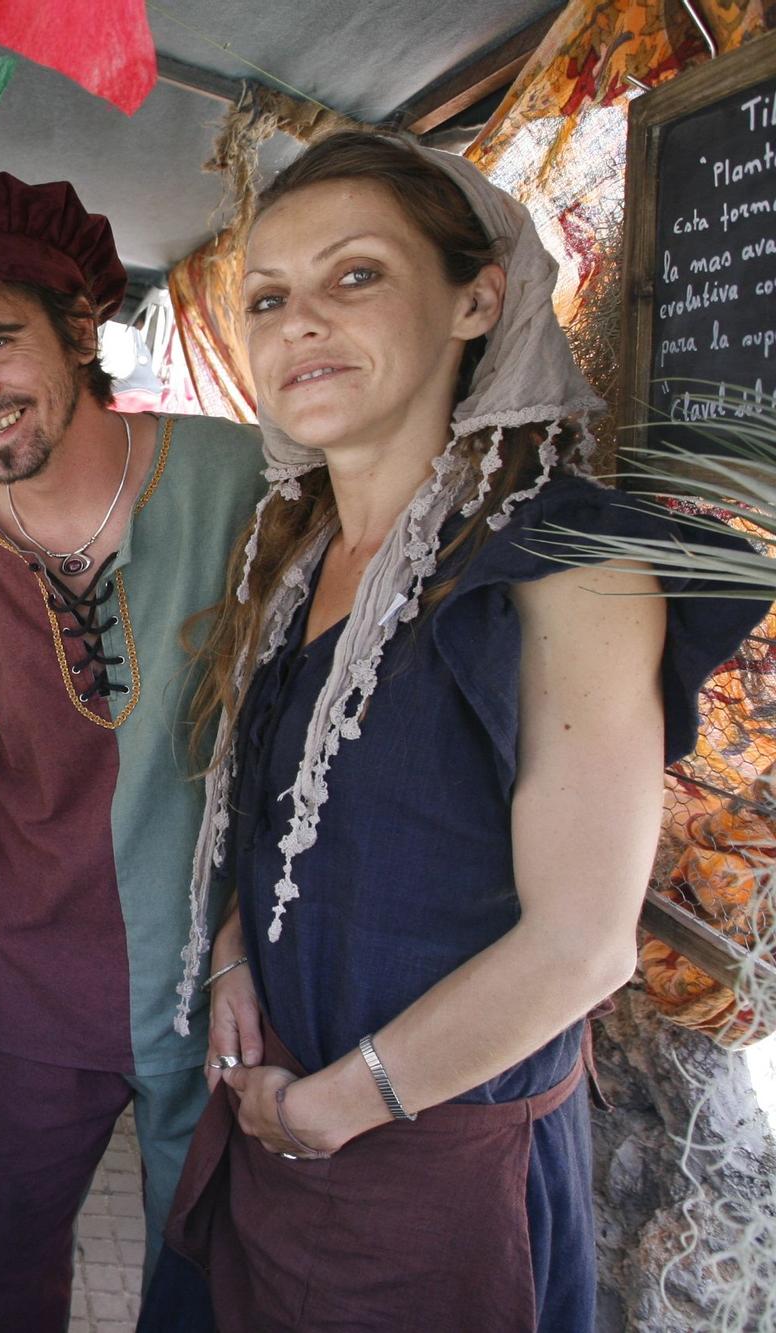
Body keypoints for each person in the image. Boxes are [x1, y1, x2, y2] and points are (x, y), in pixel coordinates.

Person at [164, 132, 765, 1331]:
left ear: (476, 298)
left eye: (354, 276)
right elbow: (287, 817)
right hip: (275, 1135)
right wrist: (234, 948)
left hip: (431, 1178)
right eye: (269, 298)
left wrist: (343, 1104)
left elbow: (581, 945)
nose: (298, 325)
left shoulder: (565, 566)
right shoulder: (292, 562)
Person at [0, 172, 266, 1328]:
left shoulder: (243, 483)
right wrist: (15, 948)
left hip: (225, 977)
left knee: (203, 1262)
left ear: (79, 330)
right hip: (38, 990)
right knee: (11, 1255)